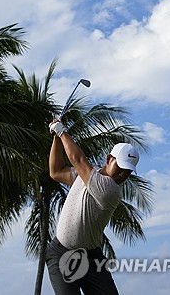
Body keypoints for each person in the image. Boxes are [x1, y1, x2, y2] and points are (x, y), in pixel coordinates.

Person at [46, 119, 140, 295]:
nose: (122, 174)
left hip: (91, 257)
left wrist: (60, 130)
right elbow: (56, 171)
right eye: (120, 168)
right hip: (61, 254)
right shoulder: (89, 175)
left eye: (127, 172)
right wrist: (56, 138)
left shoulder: (110, 190)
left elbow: (77, 159)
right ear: (109, 159)